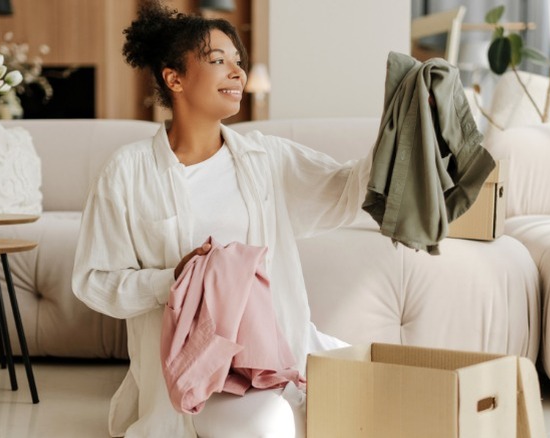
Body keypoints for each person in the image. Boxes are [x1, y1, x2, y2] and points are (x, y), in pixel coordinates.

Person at [71, 1, 371, 437]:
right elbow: (94, 281)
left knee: (385, 388)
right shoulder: (127, 171)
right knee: (270, 426)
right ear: (174, 78)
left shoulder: (266, 157)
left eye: (238, 61)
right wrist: (174, 280)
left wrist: (401, 128)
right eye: (217, 61)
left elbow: (347, 190)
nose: (237, 73)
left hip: (278, 354)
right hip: (199, 380)